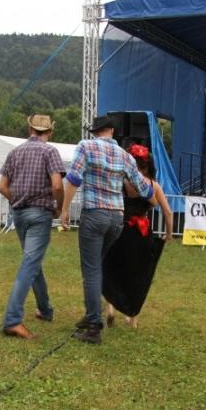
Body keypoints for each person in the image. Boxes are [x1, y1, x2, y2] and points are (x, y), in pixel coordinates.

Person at [60, 115, 154, 345]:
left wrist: (64, 209)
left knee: (91, 269)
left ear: (95, 132)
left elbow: (74, 178)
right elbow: (144, 189)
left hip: (94, 214)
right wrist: (153, 194)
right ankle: (91, 313)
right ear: (112, 131)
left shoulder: (86, 146)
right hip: (117, 218)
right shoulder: (125, 155)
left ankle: (94, 324)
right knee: (99, 266)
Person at [0, 114, 65, 339]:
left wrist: (16, 200)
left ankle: (45, 310)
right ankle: (12, 320)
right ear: (50, 132)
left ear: (29, 129)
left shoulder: (14, 152)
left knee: (32, 261)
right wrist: (59, 207)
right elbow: (57, 185)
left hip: (19, 214)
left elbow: (2, 187)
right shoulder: (50, 151)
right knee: (29, 264)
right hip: (40, 213)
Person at [103, 143, 174, 329]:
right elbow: (168, 212)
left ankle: (110, 306)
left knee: (112, 268)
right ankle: (132, 317)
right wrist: (168, 234)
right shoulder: (153, 186)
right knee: (138, 274)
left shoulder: (121, 183)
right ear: (148, 165)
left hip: (119, 231)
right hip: (141, 235)